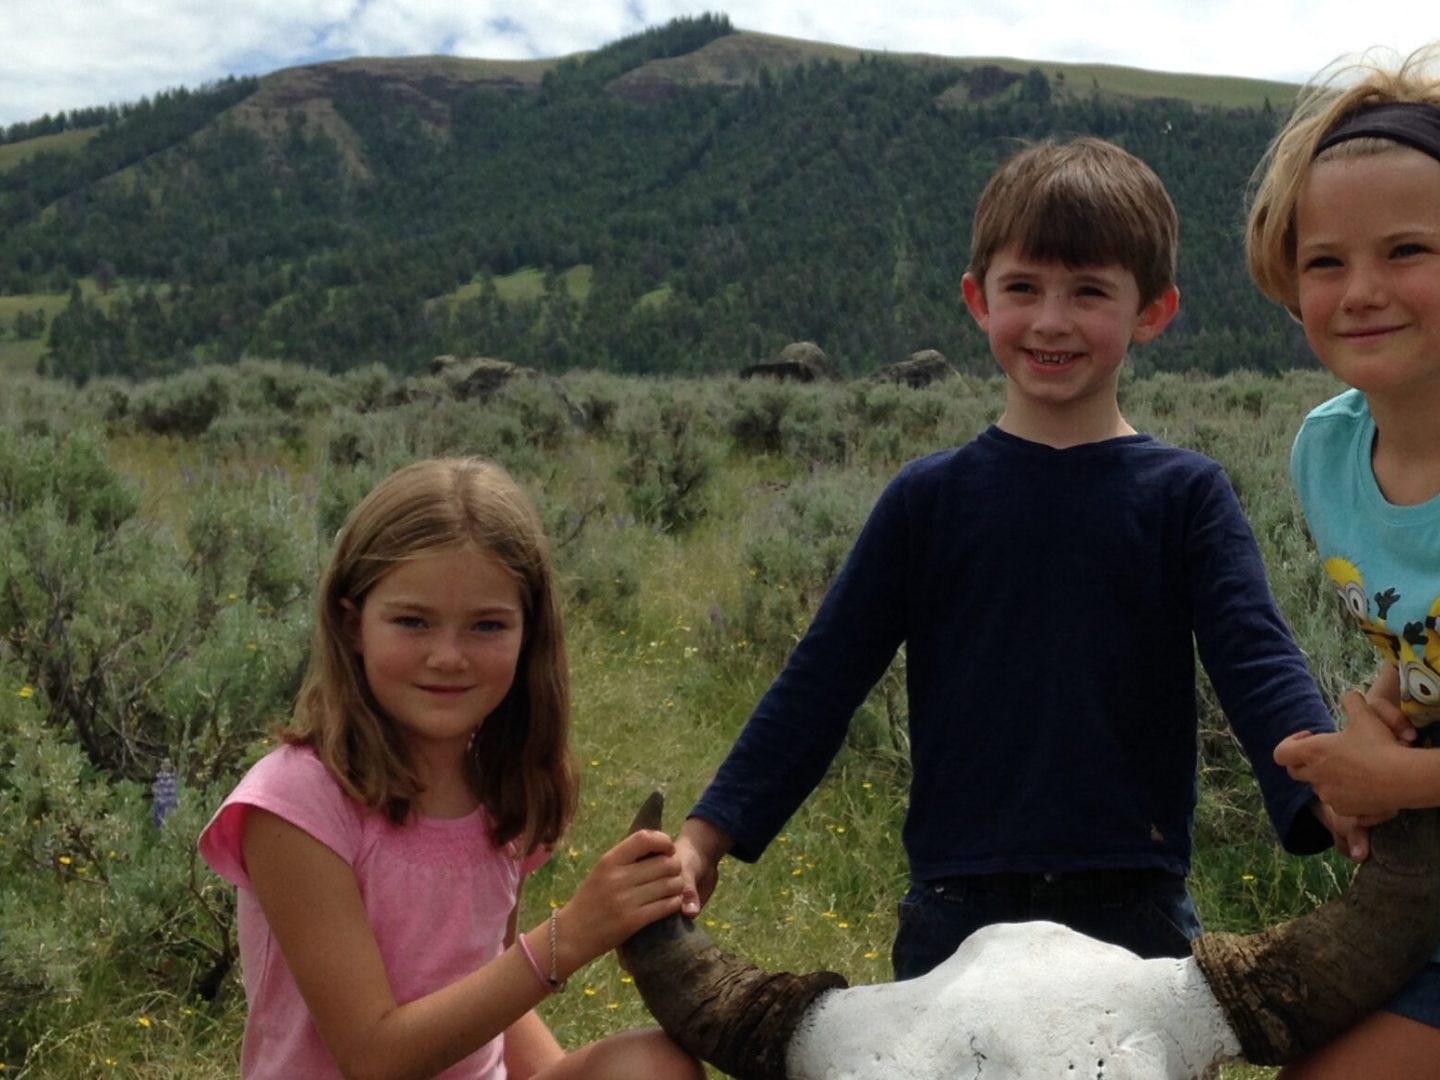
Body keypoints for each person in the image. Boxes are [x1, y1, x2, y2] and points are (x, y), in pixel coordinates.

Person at [676, 136, 1343, 982]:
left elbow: (1257, 660)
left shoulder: (1188, 495)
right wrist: (709, 835)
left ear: (1153, 312)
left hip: (1135, 904)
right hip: (956, 905)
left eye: (1089, 291)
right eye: (1022, 288)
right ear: (977, 300)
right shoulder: (927, 501)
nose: (1051, 319)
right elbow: (821, 680)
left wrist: (1327, 789)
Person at [199, 458, 702, 1080]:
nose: (448, 656)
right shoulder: (297, 803)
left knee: (650, 1066)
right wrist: (569, 936)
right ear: (354, 625)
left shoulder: (501, 789)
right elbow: (373, 1055)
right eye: (412, 621)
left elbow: (488, 986)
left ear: (528, 633)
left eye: (487, 625)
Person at [1249, 47, 1440, 1079]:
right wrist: (1375, 712)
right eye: (1326, 261)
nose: (1362, 292)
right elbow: (1418, 634)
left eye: (1407, 248)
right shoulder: (1327, 453)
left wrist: (1396, 776)